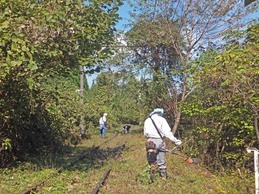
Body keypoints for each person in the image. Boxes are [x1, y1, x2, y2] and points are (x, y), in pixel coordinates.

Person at [144, 108, 182, 181]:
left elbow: (145, 134)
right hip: (159, 141)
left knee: (151, 158)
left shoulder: (147, 120)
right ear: (160, 113)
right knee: (161, 160)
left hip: (150, 141)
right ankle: (163, 177)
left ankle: (152, 167)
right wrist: (176, 141)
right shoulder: (162, 120)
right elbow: (167, 133)